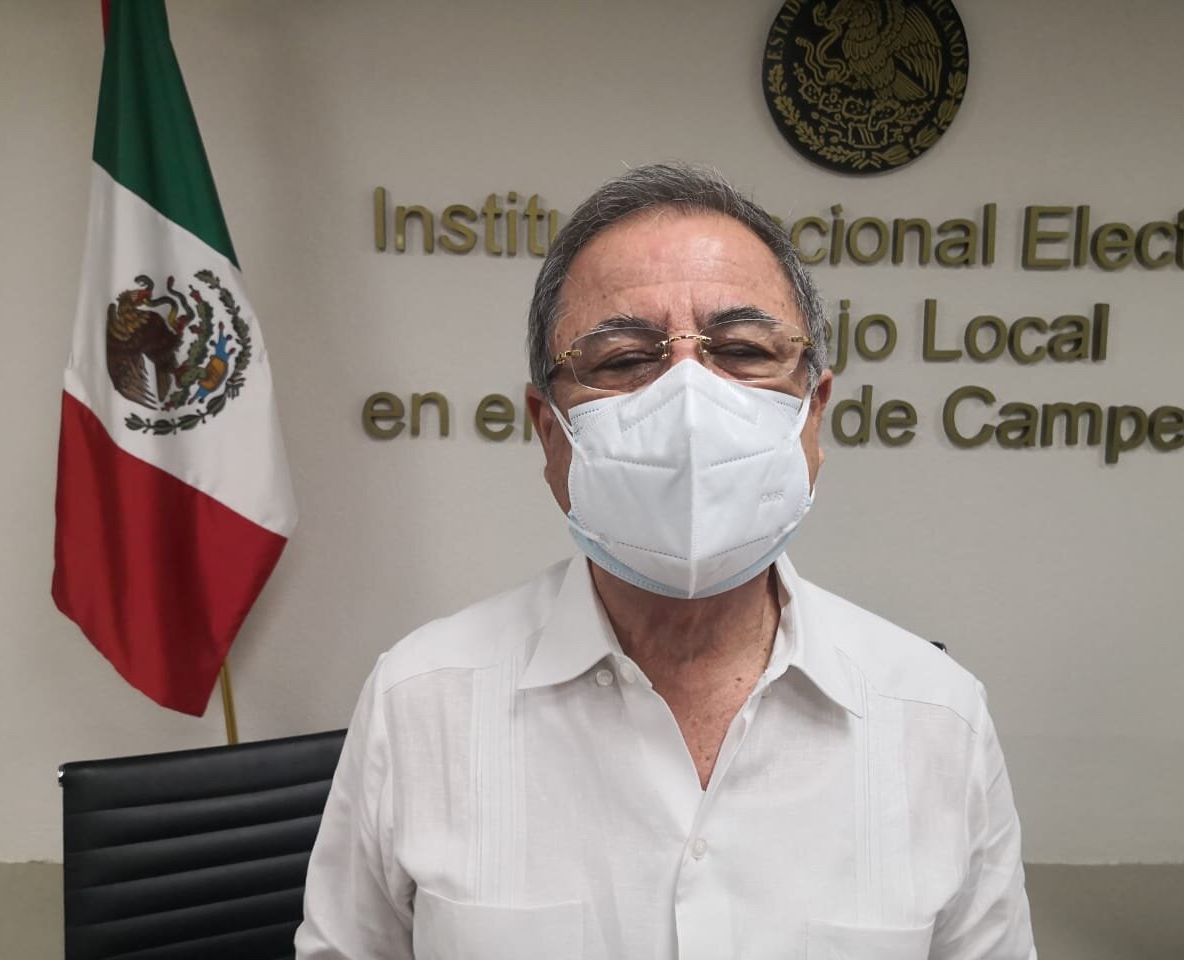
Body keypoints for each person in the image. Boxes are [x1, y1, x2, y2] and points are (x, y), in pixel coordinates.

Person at [295, 163, 1036, 959]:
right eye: (623, 360)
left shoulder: (938, 720)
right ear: (550, 434)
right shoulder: (420, 703)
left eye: (743, 350)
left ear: (813, 416)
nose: (688, 404)